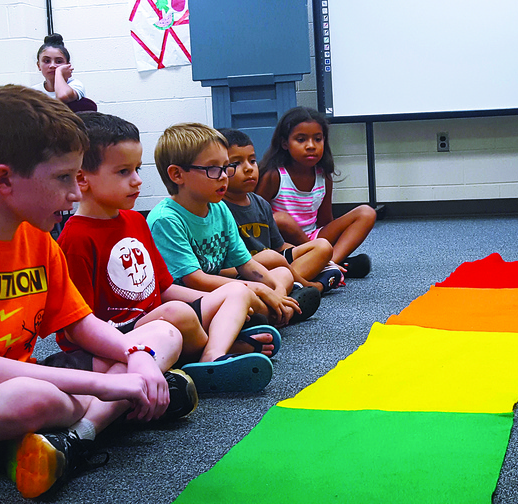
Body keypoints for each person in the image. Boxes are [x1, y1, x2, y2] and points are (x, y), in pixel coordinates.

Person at [0, 85, 197, 499]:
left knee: (162, 335)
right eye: (64, 178)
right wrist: (110, 386)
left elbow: (81, 324)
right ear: (4, 179)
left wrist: (137, 358)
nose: (76, 192)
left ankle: (76, 437)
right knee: (34, 396)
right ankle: (114, 413)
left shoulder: (37, 233)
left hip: (23, 381)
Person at [57, 112, 279, 393]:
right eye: (124, 172)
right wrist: (202, 314)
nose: (137, 180)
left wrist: (222, 302)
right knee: (179, 314)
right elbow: (75, 328)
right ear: (83, 179)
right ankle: (220, 347)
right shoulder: (76, 237)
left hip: (159, 317)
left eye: (137, 169)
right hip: (117, 335)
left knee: (237, 292)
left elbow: (164, 287)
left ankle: (212, 357)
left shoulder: (136, 221)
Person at [146, 122, 320, 328]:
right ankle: (282, 312)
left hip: (220, 288)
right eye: (212, 169)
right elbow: (196, 281)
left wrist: (273, 289)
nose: (223, 177)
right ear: (177, 174)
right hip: (188, 299)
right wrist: (258, 289)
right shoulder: (166, 220)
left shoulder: (219, 208)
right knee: (245, 294)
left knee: (282, 274)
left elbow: (246, 263)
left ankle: (276, 311)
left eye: (225, 167)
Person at [219, 127, 344, 294]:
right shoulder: (217, 208)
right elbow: (219, 267)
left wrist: (322, 258)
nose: (248, 168)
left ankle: (291, 283)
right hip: (240, 272)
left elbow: (279, 246)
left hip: (273, 267)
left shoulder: (261, 203)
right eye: (236, 163)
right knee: (269, 258)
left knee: (322, 247)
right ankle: (309, 286)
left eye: (252, 161)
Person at [256, 107, 376, 278]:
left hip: (314, 237)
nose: (311, 146)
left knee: (367, 212)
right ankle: (327, 264)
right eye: (301, 139)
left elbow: (326, 220)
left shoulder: (323, 174)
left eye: (317, 139)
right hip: (284, 244)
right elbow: (259, 222)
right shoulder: (274, 175)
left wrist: (326, 242)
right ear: (284, 143)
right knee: (281, 220)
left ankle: (330, 262)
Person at [33, 33, 85, 104]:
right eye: (47, 61)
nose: (52, 65)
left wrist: (59, 72)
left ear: (68, 65)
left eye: (59, 61)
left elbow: (62, 96)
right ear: (39, 65)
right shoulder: (33, 92)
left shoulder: (75, 85)